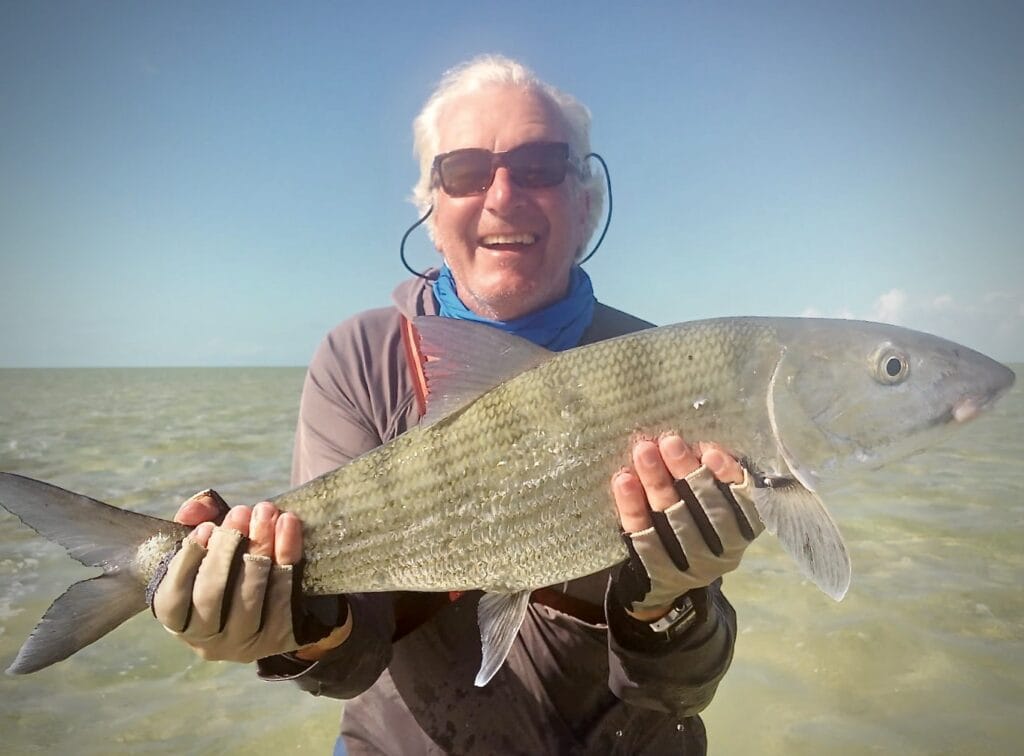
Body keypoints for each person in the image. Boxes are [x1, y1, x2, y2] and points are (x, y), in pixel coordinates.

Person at [151, 55, 763, 754]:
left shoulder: (658, 365)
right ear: (431, 210)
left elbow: (680, 692)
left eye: (540, 165)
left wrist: (670, 604)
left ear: (585, 200)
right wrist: (288, 628)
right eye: (466, 173)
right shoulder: (360, 359)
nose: (503, 196)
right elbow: (353, 663)